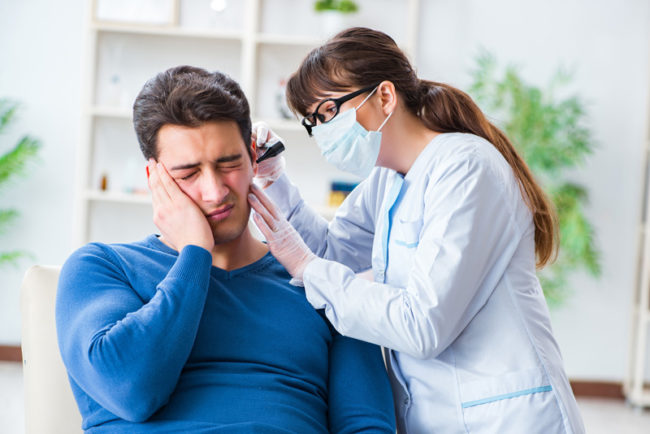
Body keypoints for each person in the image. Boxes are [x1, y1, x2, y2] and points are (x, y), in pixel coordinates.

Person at [248, 27, 585, 433]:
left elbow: (423, 325)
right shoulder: (387, 179)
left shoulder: (465, 167)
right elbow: (331, 256)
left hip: (505, 418)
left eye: (328, 113)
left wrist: (306, 266)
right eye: (312, 122)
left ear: (385, 96)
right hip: (435, 415)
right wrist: (273, 182)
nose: (322, 132)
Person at [55, 65, 396, 434]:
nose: (215, 192)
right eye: (188, 175)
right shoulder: (101, 267)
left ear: (253, 156)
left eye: (229, 163)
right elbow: (131, 392)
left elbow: (367, 426)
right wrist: (194, 256)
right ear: (155, 179)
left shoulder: (323, 281)